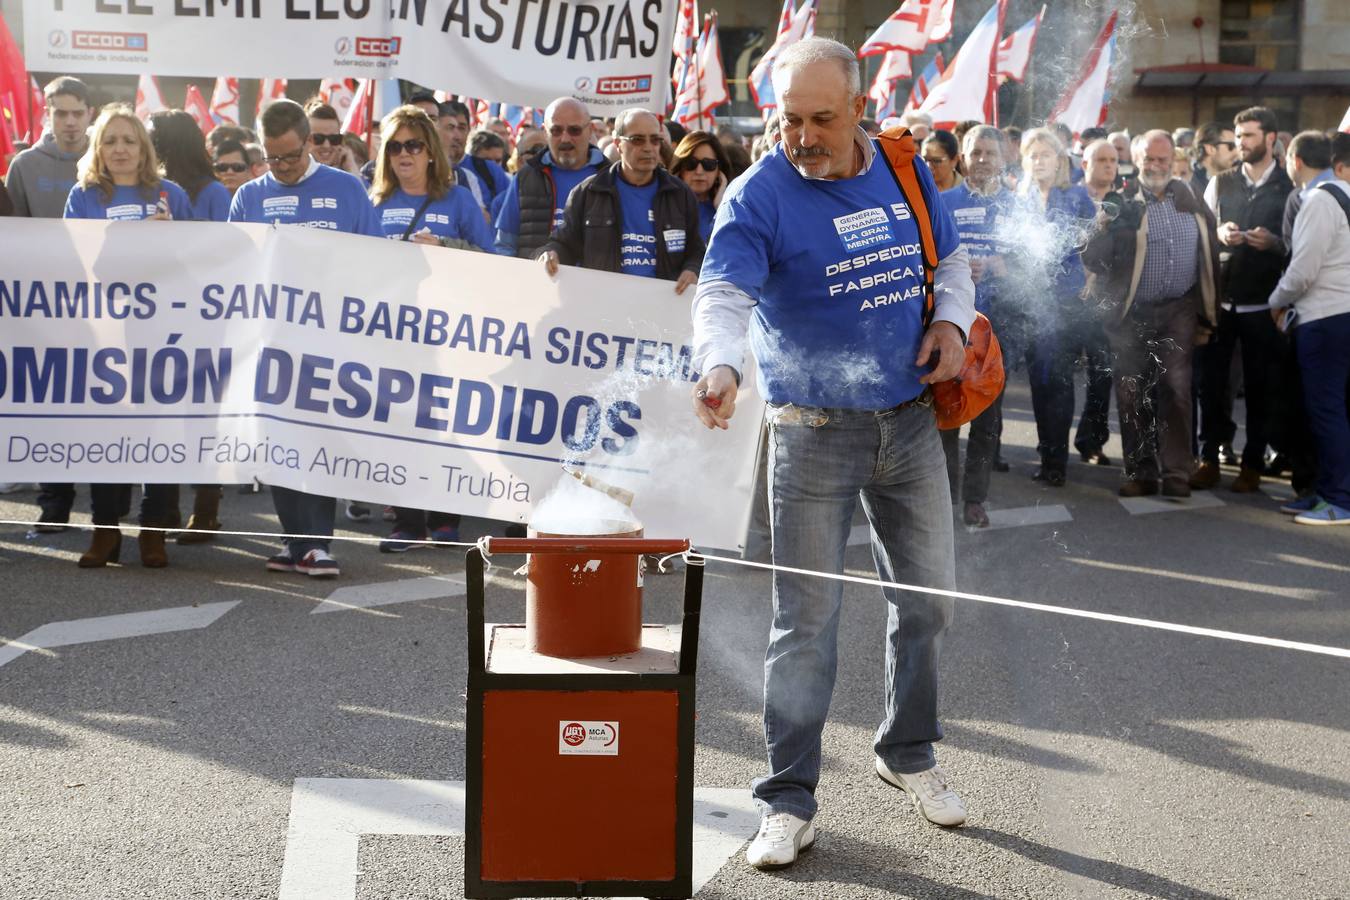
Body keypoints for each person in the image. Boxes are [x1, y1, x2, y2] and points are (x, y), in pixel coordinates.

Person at [691, 37, 975, 869]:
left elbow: (950, 260)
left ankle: (907, 752)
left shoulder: (903, 165)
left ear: (860, 109)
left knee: (929, 604)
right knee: (806, 626)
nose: (804, 136)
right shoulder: (757, 194)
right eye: (789, 120)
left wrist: (951, 322)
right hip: (812, 435)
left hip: (912, 424)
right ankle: (787, 799)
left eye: (821, 118)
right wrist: (717, 363)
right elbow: (722, 291)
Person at [228, 99, 382, 578]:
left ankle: (315, 543)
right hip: (273, 343)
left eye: (291, 156)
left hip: (332, 341)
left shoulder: (346, 189)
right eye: (273, 159)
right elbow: (234, 268)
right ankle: (297, 541)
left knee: (319, 438)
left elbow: (378, 261)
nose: (283, 167)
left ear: (309, 142)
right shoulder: (248, 197)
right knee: (280, 442)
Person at [62, 104, 192, 568]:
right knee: (106, 434)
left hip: (161, 338)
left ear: (144, 149)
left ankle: (153, 532)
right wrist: (136, 236)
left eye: (129, 140)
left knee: (160, 432)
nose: (120, 149)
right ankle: (105, 531)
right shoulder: (84, 196)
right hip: (104, 337)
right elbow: (77, 262)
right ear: (98, 149)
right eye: (111, 141)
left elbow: (200, 266)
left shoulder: (171, 194)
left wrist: (171, 239)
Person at [1083, 130, 1219, 498]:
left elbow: (1211, 250)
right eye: (1149, 159)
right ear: (1137, 160)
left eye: (1163, 159)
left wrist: (1209, 310)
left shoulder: (1190, 199)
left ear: (1174, 159)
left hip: (1179, 309)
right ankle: (1142, 472)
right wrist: (1101, 227)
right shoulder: (1122, 201)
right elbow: (1093, 258)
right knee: (1131, 392)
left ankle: (1176, 473)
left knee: (1176, 388)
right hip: (1131, 313)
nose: (1156, 166)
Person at [5, 76, 96, 530]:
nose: (70, 121)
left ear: (90, 114)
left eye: (77, 112)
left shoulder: (108, 158)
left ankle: (106, 506)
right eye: (60, 112)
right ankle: (54, 504)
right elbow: (11, 238)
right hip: (42, 309)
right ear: (47, 115)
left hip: (102, 308)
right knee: (49, 406)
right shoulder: (23, 166)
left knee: (100, 406)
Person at [1195, 107, 1293, 493]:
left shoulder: (1289, 188)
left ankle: (1252, 462)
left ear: (1271, 138)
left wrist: (1274, 243)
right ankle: (1209, 457)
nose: (1241, 144)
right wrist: (1221, 231)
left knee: (1260, 387)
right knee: (1212, 386)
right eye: (1238, 137)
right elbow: (1204, 229)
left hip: (1264, 304)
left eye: (1249, 136)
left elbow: (1298, 247)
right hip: (1222, 301)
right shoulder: (1221, 182)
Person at [1267, 133, 1350, 524]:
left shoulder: (1319, 201)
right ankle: (1323, 492)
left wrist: (1276, 301)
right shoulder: (1343, 195)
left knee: (1326, 412)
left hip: (1325, 319)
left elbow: (1302, 270)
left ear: (1294, 160)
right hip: (1339, 318)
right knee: (1331, 411)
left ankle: (1338, 499)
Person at [940, 125, 1019, 527]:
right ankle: (946, 498)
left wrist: (1005, 267)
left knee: (988, 418)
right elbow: (925, 255)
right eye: (976, 152)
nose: (984, 159)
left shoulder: (1016, 206)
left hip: (997, 330)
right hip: (952, 325)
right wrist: (951, 270)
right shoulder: (944, 202)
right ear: (963, 158)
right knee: (947, 417)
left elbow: (1034, 264)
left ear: (1003, 159)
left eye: (991, 152)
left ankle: (976, 498)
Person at [539, 109, 703, 293]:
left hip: (662, 307)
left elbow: (696, 250)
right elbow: (564, 243)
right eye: (638, 140)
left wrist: (692, 270)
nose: (648, 147)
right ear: (618, 144)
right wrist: (552, 253)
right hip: (604, 305)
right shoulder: (589, 192)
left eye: (655, 140)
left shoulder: (680, 194)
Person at [1016, 128, 1100, 485]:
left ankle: (1057, 461)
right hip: (1032, 302)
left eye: (1045, 155)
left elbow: (1093, 243)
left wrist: (1090, 276)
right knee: (1039, 382)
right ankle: (1046, 449)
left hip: (1066, 302)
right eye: (1033, 155)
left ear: (1059, 160)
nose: (1039, 161)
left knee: (1060, 382)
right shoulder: (1018, 199)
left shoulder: (1077, 196)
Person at [494, 96, 606, 258]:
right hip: (535, 281)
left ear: (590, 130)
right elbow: (505, 245)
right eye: (556, 130)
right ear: (545, 132)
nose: (565, 138)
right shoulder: (526, 177)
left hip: (597, 282)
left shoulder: (609, 177)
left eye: (574, 130)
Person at [370, 105, 493, 252]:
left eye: (413, 145)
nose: (403, 153)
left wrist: (442, 247)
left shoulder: (460, 199)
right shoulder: (375, 201)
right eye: (394, 147)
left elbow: (488, 256)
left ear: (431, 153)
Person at [149, 109, 231, 222]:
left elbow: (226, 237)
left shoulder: (215, 192)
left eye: (150, 141)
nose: (143, 149)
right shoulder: (146, 189)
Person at [670, 130, 731, 244]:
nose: (699, 171)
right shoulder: (664, 204)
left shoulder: (731, 208)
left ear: (719, 171)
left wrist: (721, 207)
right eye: (691, 163)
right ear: (680, 167)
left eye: (709, 164)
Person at [304, 100, 361, 175]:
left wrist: (351, 167)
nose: (326, 145)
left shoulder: (353, 176)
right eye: (318, 138)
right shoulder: (291, 177)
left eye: (333, 139)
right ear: (303, 140)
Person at [1191, 121, 1238, 195]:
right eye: (1231, 146)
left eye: (1238, 146)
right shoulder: (1189, 184)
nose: (1237, 152)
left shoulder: (1239, 180)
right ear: (1210, 149)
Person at [1081, 138, 1119, 202]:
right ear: (1085, 165)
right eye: (1102, 160)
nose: (1108, 165)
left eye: (1113, 160)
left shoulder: (1125, 201)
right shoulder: (1072, 199)